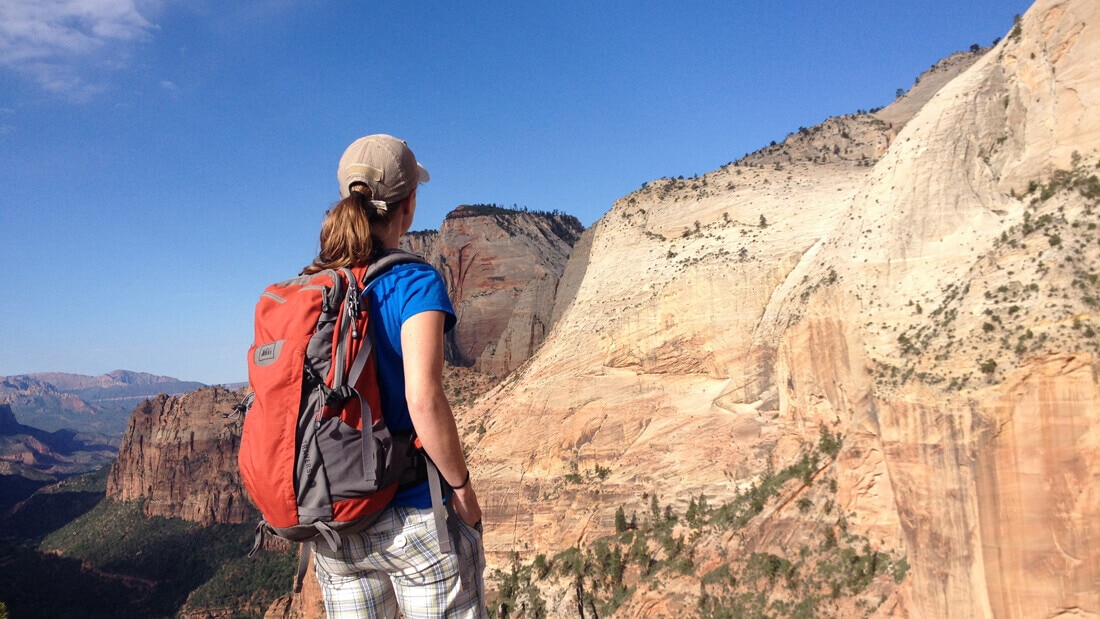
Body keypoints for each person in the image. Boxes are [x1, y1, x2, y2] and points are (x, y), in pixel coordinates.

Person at [304, 134, 486, 618]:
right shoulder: (414, 281)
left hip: (335, 521)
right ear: (408, 205)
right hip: (412, 513)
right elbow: (424, 398)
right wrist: (463, 489)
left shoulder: (313, 287)